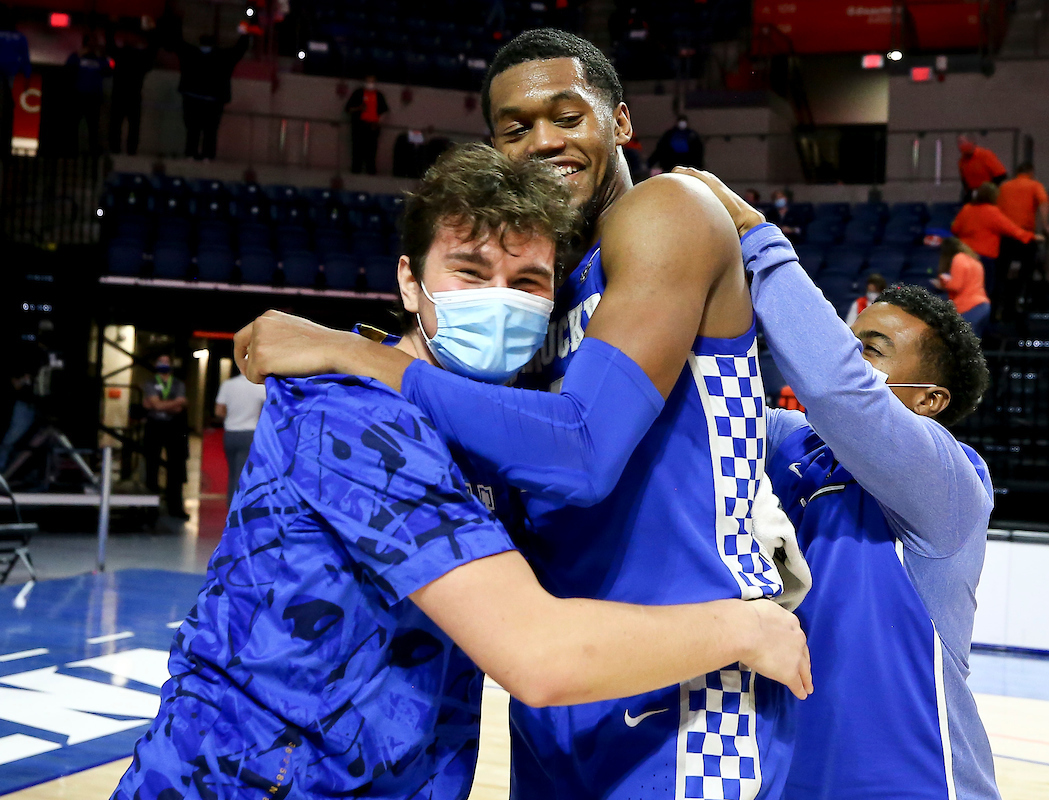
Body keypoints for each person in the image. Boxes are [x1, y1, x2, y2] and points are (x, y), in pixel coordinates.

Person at [113, 145, 811, 800]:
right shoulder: (356, 416)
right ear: (410, 283)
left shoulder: (484, 431)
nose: (500, 298)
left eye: (527, 281)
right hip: (255, 779)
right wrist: (746, 629)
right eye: (472, 273)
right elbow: (536, 655)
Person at [678, 166, 999, 800]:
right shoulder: (795, 445)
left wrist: (753, 235)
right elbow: (696, 405)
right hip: (787, 779)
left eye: (870, 350)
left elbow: (834, 386)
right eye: (847, 344)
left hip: (917, 785)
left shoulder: (951, 479)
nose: (849, 357)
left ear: (930, 398)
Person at [951, 182, 1042, 300]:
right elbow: (1012, 230)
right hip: (983, 258)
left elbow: (955, 229)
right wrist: (1032, 236)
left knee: (964, 291)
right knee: (984, 291)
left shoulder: (966, 209)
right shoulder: (992, 212)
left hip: (964, 256)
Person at [171, 30, 249, 160]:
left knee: (193, 131)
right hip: (213, 101)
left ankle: (191, 154)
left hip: (192, 98)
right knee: (210, 132)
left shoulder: (190, 53)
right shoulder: (223, 57)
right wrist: (244, 33)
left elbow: (177, 42)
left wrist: (176, 19)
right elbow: (239, 50)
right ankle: (207, 156)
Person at [995, 161, 1049, 317]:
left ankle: (1002, 305)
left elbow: (996, 209)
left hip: (1006, 235)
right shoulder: (1034, 185)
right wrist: (1046, 225)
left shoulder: (1005, 186)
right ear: (1031, 172)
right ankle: (1022, 301)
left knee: (1002, 272)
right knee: (1027, 271)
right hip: (1025, 235)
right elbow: (1044, 203)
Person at [142, 353, 188, 518]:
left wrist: (159, 405)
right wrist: (170, 404)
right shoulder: (150, 383)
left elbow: (178, 406)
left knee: (175, 468)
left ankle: (175, 508)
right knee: (151, 466)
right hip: (154, 427)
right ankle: (150, 509)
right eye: (161, 361)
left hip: (173, 428)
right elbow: (153, 404)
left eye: (167, 361)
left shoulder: (178, 384)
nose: (164, 364)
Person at [213, 362, 266, 503]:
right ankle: (238, 508)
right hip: (249, 434)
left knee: (232, 472)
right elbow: (266, 411)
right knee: (243, 474)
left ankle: (231, 504)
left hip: (230, 434)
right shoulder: (260, 386)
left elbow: (219, 411)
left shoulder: (228, 385)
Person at [107, 20, 157, 155]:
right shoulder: (140, 58)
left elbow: (110, 44)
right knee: (133, 126)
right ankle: (131, 150)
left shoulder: (120, 55)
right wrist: (152, 31)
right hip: (133, 96)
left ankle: (115, 148)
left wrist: (112, 24)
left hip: (119, 95)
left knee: (116, 125)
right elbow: (152, 51)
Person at [933, 237, 991, 337]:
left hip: (969, 307)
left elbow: (956, 286)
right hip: (983, 306)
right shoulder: (975, 260)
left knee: (962, 343)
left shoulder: (958, 258)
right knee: (974, 344)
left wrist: (943, 283)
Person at [64, 34, 110, 155]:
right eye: (90, 42)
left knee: (93, 127)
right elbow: (68, 68)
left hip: (94, 97)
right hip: (79, 95)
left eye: (94, 43)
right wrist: (78, 55)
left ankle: (93, 151)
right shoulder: (77, 56)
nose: (92, 45)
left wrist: (103, 56)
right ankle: (71, 151)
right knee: (73, 125)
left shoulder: (100, 59)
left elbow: (108, 71)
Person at [0, 8, 30, 160]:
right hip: (9, 74)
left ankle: (4, 146)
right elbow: (25, 59)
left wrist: (26, 75)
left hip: (8, 75)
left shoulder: (19, 37)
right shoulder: (20, 37)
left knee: (6, 107)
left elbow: (25, 59)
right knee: (6, 107)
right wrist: (26, 77)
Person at [345, 74, 388, 175]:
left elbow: (384, 111)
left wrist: (378, 122)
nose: (370, 84)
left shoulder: (379, 95)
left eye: (372, 81)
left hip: (373, 127)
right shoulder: (358, 93)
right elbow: (348, 109)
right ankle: (356, 171)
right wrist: (359, 108)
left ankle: (371, 172)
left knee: (371, 152)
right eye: (368, 81)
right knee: (357, 151)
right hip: (359, 127)